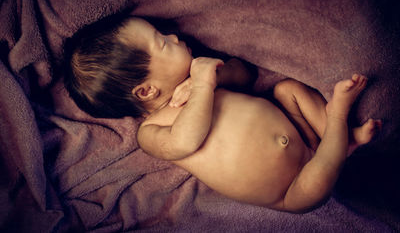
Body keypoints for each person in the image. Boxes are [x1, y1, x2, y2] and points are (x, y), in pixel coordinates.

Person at [64, 16, 381, 213]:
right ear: (146, 91)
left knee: (288, 90)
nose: (174, 38)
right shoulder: (152, 130)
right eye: (162, 43)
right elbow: (188, 140)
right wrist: (201, 86)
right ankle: (338, 119)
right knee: (320, 178)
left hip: (303, 135)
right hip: (293, 189)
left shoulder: (203, 76)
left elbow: (245, 76)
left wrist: (214, 76)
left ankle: (339, 138)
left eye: (164, 34)